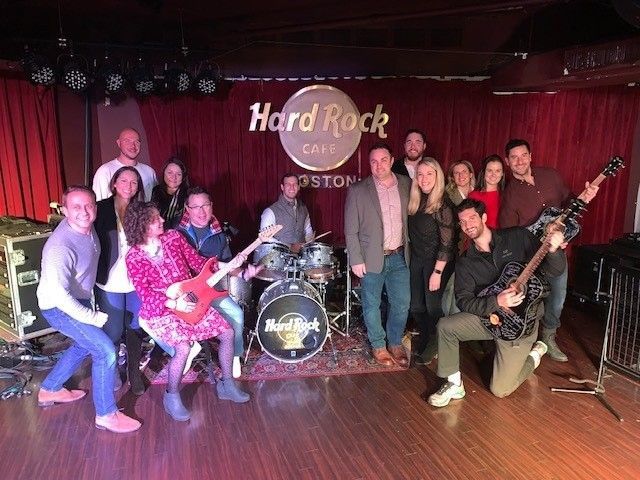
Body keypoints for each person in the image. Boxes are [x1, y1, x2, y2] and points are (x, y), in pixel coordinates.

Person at [428, 198, 566, 407]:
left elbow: (555, 270)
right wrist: (496, 301)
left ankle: (534, 355)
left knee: (500, 390)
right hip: (489, 319)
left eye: (472, 218)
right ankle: (453, 383)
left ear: (483, 217)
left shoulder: (517, 237)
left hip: (521, 325)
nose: (467, 225)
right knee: (446, 326)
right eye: (462, 222)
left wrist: (554, 251)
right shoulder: (466, 262)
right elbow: (464, 301)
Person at [124, 202, 250, 422]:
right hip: (163, 309)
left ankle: (227, 384)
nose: (162, 220)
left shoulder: (173, 237)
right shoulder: (134, 257)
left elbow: (197, 262)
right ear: (142, 226)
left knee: (227, 332)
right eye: (155, 219)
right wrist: (173, 304)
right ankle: (171, 397)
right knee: (182, 347)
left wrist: (226, 265)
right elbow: (145, 294)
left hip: (192, 300)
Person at [36, 185, 141, 434]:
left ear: (95, 206)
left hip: (78, 300)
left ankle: (50, 388)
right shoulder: (59, 248)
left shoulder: (88, 226)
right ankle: (106, 414)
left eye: (89, 205)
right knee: (105, 350)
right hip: (58, 306)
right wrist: (91, 316)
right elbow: (60, 296)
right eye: (76, 207)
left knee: (84, 344)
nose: (84, 212)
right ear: (64, 210)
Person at [499, 139, 598, 361]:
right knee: (531, 297)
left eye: (523, 155)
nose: (519, 161)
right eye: (513, 157)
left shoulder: (551, 176)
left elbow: (569, 203)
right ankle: (524, 339)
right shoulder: (509, 195)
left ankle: (548, 337)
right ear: (507, 161)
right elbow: (510, 235)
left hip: (555, 250)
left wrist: (584, 198)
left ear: (531, 156)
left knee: (559, 294)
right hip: (529, 255)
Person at [177, 186, 262, 378]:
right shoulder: (176, 233)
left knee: (237, 314)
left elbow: (228, 266)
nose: (201, 212)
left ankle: (233, 356)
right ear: (187, 209)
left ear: (211, 206)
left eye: (205, 205)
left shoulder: (220, 236)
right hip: (184, 293)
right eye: (196, 207)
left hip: (211, 292)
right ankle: (186, 350)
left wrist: (244, 273)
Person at [344, 142, 411, 367]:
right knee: (371, 304)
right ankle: (378, 346)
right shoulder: (358, 190)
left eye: (383, 160)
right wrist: (355, 259)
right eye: (373, 161)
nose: (378, 165)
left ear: (392, 161)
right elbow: (350, 229)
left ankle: (394, 342)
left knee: (402, 304)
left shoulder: (406, 184)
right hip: (371, 257)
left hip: (400, 256)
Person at [94, 166, 146, 395]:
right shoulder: (101, 208)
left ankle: (134, 372)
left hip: (135, 279)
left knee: (135, 326)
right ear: (114, 183)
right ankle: (113, 367)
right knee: (114, 330)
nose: (129, 186)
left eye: (134, 182)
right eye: (124, 180)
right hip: (109, 278)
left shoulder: (141, 210)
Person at [407, 159, 455, 365]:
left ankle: (434, 345)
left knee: (433, 307)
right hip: (417, 260)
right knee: (416, 305)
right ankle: (426, 338)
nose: (424, 179)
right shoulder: (415, 201)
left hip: (436, 264)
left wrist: (437, 272)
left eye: (429, 174)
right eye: (420, 174)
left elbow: (447, 243)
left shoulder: (442, 204)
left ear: (438, 177)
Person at [92, 127, 157, 201]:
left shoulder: (149, 172)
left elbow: (154, 203)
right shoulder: (105, 171)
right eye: (127, 141)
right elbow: (99, 205)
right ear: (119, 143)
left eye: (137, 142)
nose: (133, 146)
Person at [260, 173, 313, 253]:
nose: (292, 187)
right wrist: (289, 247)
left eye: (294, 184)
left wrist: (309, 245)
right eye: (288, 184)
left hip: (302, 259)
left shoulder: (303, 208)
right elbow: (265, 238)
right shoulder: (270, 211)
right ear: (282, 187)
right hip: (279, 260)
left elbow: (308, 230)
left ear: (298, 187)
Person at [468, 154, 505, 229]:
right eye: (489, 170)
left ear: (502, 174)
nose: (493, 174)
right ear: (484, 172)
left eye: (498, 171)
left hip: (503, 238)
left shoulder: (506, 195)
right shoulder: (473, 196)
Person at [151, 157, 189, 229]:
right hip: (159, 234)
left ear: (183, 177)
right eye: (170, 172)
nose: (173, 177)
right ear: (164, 173)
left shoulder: (189, 194)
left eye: (178, 174)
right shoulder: (156, 191)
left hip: (180, 235)